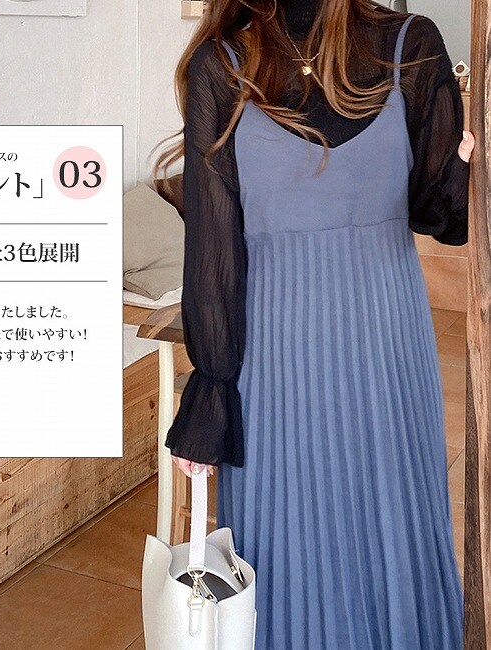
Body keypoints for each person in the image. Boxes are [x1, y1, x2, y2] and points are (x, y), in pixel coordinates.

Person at [154, 0, 475, 647]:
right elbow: (213, 250)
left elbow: (442, 214)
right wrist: (210, 391)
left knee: (392, 541)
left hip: (386, 355)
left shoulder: (411, 46)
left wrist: (466, 164)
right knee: (286, 556)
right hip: (275, 366)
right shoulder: (224, 64)